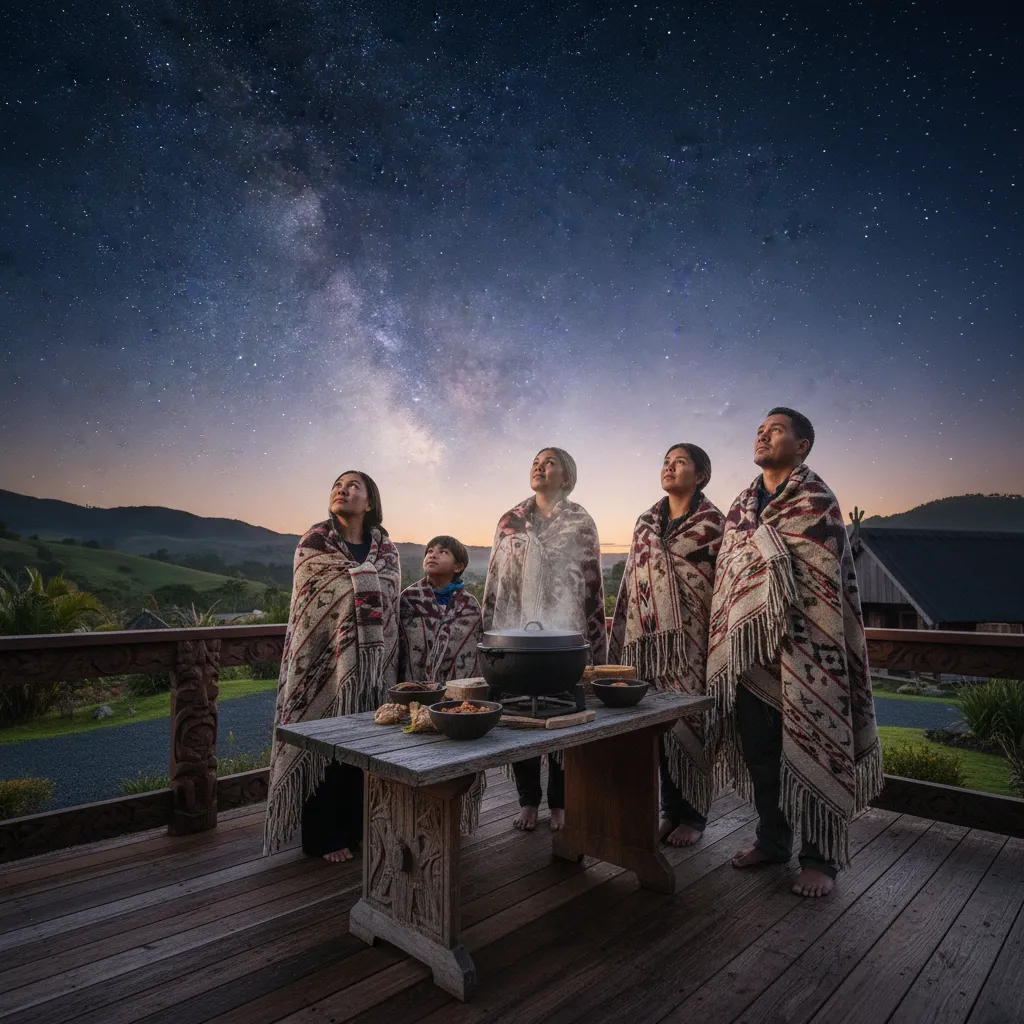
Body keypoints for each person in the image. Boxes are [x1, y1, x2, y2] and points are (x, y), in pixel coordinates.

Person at [707, 408, 883, 897]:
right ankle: (772, 840)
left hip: (809, 651)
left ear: (802, 445)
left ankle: (820, 857)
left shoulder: (817, 501)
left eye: (776, 430)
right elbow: (730, 576)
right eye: (760, 430)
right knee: (761, 755)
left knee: (817, 748)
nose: (763, 435)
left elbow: (823, 580)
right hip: (752, 658)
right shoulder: (740, 508)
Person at [264, 471, 401, 863]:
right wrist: (360, 580)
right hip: (322, 663)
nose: (343, 489)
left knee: (365, 748)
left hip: (373, 669)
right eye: (338, 485)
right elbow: (312, 601)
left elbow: (390, 597)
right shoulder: (314, 543)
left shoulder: (386, 549)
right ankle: (325, 836)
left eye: (353, 485)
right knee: (324, 743)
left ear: (370, 501)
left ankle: (359, 828)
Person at [482, 447, 608, 832]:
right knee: (520, 713)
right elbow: (495, 579)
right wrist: (490, 631)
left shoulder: (580, 521)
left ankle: (559, 802)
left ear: (566, 476)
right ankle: (527, 801)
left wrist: (592, 640)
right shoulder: (509, 521)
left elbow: (592, 584)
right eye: (536, 462)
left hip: (563, 633)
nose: (539, 466)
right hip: (516, 629)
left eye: (549, 462)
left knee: (562, 713)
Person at [609, 444, 725, 847]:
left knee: (691, 725)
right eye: (666, 462)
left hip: (694, 641)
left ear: (701, 475)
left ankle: (694, 816)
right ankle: (668, 811)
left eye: (680, 462)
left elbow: (722, 585)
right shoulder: (645, 523)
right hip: (648, 643)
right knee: (656, 727)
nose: (670, 468)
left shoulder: (714, 524)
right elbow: (632, 583)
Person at [398, 535, 487, 833]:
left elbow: (474, 653)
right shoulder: (408, 599)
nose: (432, 555)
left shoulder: (470, 607)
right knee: (416, 755)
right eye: (429, 551)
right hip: (416, 695)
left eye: (443, 551)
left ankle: (452, 819)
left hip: (455, 698)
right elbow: (399, 647)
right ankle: (414, 818)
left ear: (458, 565)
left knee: (456, 755)